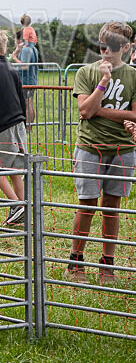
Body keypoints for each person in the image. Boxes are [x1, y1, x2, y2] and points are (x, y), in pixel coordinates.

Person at [65, 21, 136, 285]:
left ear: (127, 47)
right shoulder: (86, 72)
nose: (107, 53)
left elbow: (135, 115)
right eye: (104, 47)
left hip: (122, 149)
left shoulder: (133, 75)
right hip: (90, 146)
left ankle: (107, 265)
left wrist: (100, 111)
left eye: (114, 48)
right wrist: (104, 82)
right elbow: (84, 111)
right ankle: (76, 262)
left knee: (112, 207)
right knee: (87, 205)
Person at [0, 30, 28, 226]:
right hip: (18, 123)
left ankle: (16, 205)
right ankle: (25, 207)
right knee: (15, 168)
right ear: (5, 48)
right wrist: (23, 120)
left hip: (2, 125)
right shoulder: (10, 67)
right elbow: (21, 96)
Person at [12, 31, 39, 132]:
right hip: (32, 79)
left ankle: (28, 128)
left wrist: (15, 58)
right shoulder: (34, 48)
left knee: (28, 104)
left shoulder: (26, 50)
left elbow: (24, 65)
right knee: (30, 103)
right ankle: (29, 127)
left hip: (26, 80)